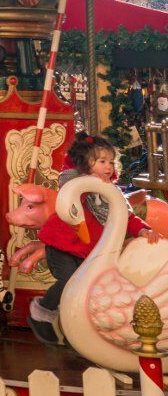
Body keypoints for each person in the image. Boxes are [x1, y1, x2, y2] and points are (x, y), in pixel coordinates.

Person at [28, 132, 162, 344]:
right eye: (101, 161)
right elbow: (68, 186)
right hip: (62, 245)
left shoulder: (111, 191)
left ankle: (77, 328)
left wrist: (143, 230)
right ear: (85, 163)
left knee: (88, 289)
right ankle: (43, 311)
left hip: (88, 250)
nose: (108, 166)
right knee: (68, 280)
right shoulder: (75, 182)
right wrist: (90, 181)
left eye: (110, 161)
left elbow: (127, 216)